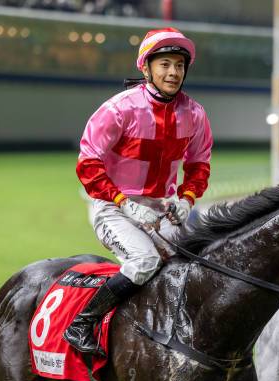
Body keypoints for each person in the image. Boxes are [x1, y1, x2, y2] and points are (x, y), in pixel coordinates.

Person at [64, 27, 213, 356]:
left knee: (197, 264)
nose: (173, 72)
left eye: (179, 65)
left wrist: (186, 200)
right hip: (112, 207)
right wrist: (124, 203)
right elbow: (88, 164)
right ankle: (82, 322)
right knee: (145, 261)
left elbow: (199, 165)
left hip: (163, 212)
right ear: (145, 68)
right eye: (165, 64)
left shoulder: (195, 114)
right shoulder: (118, 110)